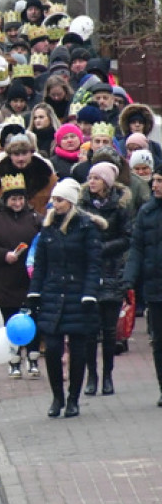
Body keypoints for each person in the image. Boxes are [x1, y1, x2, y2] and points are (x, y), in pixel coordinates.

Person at [27, 179, 104, 419]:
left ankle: (73, 398)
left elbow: (94, 263)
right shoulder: (48, 227)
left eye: (59, 199)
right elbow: (40, 264)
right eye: (53, 199)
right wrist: (34, 291)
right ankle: (57, 396)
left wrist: (90, 292)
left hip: (79, 295)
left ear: (70, 201)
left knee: (78, 350)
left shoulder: (86, 227)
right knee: (51, 349)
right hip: (53, 294)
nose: (54, 203)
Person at [0, 173, 42, 378]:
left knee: (33, 319)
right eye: (13, 199)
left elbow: (45, 240)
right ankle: (13, 360)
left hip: (30, 278)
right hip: (5, 278)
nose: (17, 203)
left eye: (20, 199)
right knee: (10, 320)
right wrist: (3, 255)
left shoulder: (34, 218)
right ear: (5, 199)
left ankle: (33, 358)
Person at [77, 161, 132, 397]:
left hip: (112, 270)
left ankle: (108, 375)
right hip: (88, 271)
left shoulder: (119, 207)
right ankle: (92, 375)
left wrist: (103, 248)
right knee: (90, 329)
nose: (92, 181)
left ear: (106, 182)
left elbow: (126, 237)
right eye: (90, 177)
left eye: (96, 178)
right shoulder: (81, 205)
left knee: (109, 330)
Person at [123, 167, 162, 407]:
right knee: (158, 341)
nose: (155, 185)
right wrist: (129, 279)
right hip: (155, 286)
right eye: (155, 181)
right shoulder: (146, 212)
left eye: (160, 181)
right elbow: (136, 249)